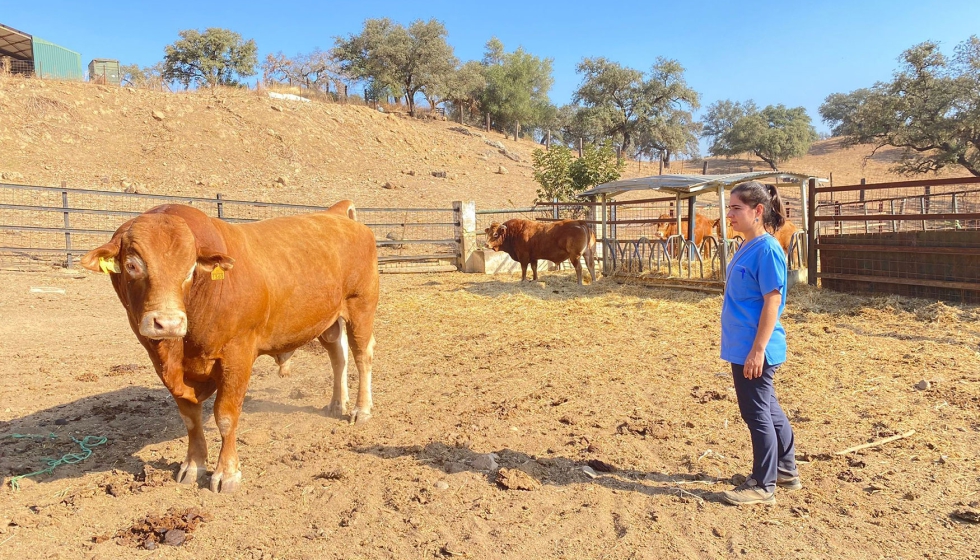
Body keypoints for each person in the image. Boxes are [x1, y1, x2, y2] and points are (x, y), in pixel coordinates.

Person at [720, 181, 800, 506]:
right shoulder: (745, 245)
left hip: (755, 348)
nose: (729, 214)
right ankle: (786, 470)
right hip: (746, 345)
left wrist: (757, 350)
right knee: (768, 408)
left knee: (756, 413)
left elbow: (773, 300)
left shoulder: (766, 249)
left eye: (736, 208)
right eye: (729, 207)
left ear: (757, 211)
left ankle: (763, 484)